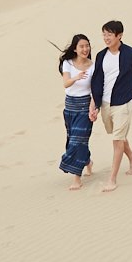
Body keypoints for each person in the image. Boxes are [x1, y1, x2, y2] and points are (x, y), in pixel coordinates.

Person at [88, 20, 132, 192]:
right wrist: (93, 105)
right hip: (106, 103)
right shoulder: (101, 55)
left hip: (124, 102)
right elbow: (96, 82)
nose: (106, 38)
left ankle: (112, 179)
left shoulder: (131, 53)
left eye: (109, 34)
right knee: (118, 134)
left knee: (117, 139)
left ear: (119, 35)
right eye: (104, 34)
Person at [57, 34, 95, 190]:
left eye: (87, 46)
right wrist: (76, 77)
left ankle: (77, 179)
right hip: (70, 108)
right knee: (74, 140)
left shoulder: (93, 66)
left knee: (76, 142)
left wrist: (94, 107)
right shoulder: (68, 63)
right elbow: (66, 83)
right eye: (82, 46)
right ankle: (87, 161)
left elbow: (95, 90)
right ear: (75, 48)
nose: (85, 49)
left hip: (85, 107)